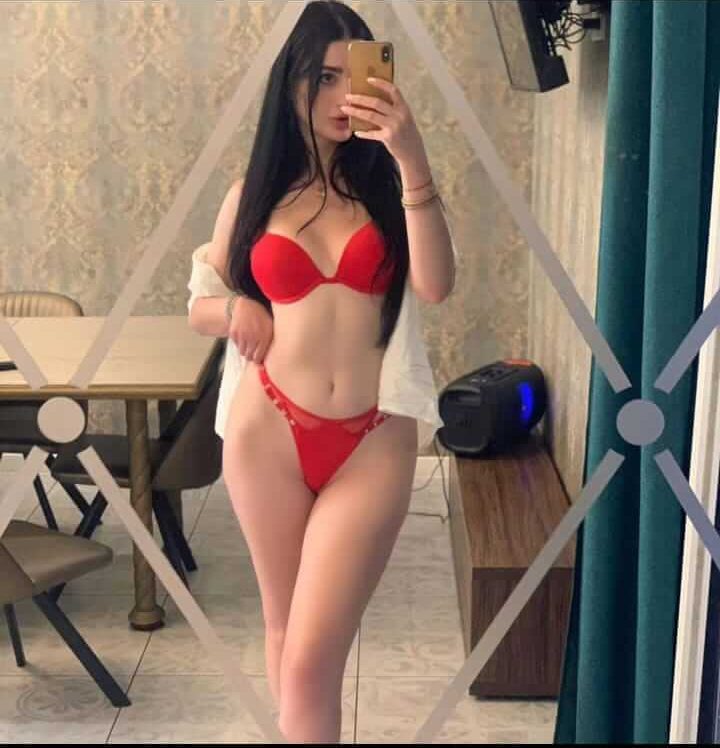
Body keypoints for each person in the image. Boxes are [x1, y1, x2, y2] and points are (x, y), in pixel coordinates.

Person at [187, 1, 456, 742]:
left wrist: (412, 156)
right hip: (267, 432)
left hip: (373, 438)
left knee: (310, 660)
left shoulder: (391, 191)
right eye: (324, 77)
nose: (342, 96)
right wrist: (236, 308)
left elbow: (436, 285)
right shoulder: (253, 196)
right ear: (291, 84)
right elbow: (200, 304)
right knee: (284, 631)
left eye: (354, 75)